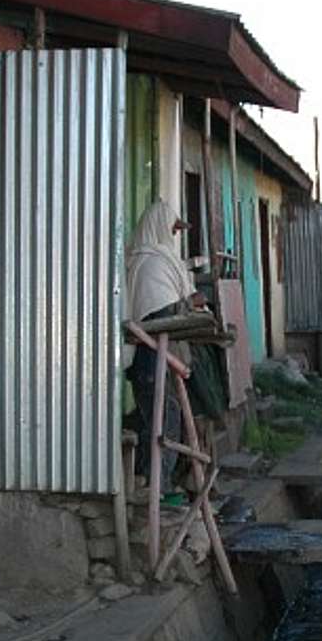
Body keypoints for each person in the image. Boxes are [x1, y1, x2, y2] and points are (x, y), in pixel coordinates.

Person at [125, 199, 199, 494]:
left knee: (151, 422)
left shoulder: (140, 260)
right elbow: (166, 313)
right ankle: (160, 488)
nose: (175, 235)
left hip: (145, 364)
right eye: (173, 229)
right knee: (165, 423)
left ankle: (146, 483)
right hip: (157, 363)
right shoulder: (157, 263)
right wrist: (190, 302)